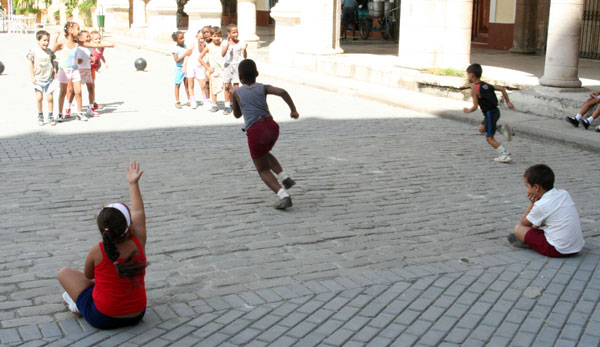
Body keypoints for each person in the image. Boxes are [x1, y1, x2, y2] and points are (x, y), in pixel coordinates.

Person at [58, 161, 148, 329]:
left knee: (65, 273)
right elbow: (139, 212)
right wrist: (133, 183)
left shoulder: (98, 250)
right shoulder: (138, 243)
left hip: (103, 318)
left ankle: (78, 306)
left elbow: (88, 276)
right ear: (129, 227)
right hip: (137, 314)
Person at [232, 59, 299, 210]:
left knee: (262, 169)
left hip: (256, 131)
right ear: (256, 74)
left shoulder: (236, 92)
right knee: (265, 153)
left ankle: (283, 195)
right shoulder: (264, 88)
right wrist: (293, 110)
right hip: (272, 127)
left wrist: (239, 103)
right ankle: (284, 177)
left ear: (240, 77)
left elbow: (236, 114)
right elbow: (282, 92)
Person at [511, 164, 585, 258]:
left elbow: (524, 223)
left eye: (527, 186)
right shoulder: (564, 194)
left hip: (557, 250)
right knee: (537, 224)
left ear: (536, 187)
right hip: (576, 246)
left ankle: (532, 243)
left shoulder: (541, 205)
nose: (527, 190)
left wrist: (532, 203)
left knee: (518, 229)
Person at [52, 22, 113, 122]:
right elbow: (52, 51)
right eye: (78, 29)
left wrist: (109, 45)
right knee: (63, 92)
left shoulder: (77, 43)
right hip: (64, 70)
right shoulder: (62, 43)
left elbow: (91, 44)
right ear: (70, 31)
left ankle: (79, 113)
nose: (79, 31)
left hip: (75, 70)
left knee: (78, 91)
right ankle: (59, 113)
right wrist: (53, 67)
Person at [463, 63, 514, 163]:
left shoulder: (474, 89)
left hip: (490, 114)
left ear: (472, 75)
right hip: (495, 111)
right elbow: (502, 89)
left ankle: (505, 154)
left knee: (489, 138)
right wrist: (508, 102)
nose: (467, 77)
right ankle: (500, 128)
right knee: (481, 128)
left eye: (467, 74)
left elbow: (474, 107)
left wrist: (467, 111)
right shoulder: (486, 85)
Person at [27, 30, 57, 126]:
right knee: (39, 98)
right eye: (44, 40)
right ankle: (40, 115)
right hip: (39, 79)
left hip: (49, 79)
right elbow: (30, 63)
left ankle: (50, 115)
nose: (46, 43)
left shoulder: (49, 52)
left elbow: (52, 62)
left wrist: (54, 71)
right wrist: (32, 76)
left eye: (48, 40)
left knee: (50, 98)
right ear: (38, 40)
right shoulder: (34, 51)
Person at [221, 24, 247, 115]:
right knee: (227, 85)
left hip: (237, 65)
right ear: (229, 33)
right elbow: (222, 54)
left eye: (237, 32)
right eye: (233, 32)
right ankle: (227, 105)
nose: (236, 34)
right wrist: (227, 45)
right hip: (228, 65)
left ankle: (236, 105)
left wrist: (244, 49)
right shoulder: (225, 42)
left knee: (236, 86)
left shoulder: (241, 42)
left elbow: (245, 56)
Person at [199, 26, 224, 113]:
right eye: (214, 36)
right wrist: (207, 67)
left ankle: (229, 103)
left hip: (223, 69)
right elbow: (200, 58)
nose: (216, 38)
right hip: (213, 69)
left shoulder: (223, 45)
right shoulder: (208, 46)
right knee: (213, 87)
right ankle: (214, 104)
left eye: (218, 36)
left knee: (227, 87)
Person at [185, 26, 211, 109]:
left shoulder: (206, 44)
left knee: (203, 85)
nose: (202, 35)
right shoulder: (193, 43)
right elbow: (187, 54)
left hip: (200, 66)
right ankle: (192, 100)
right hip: (191, 66)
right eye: (201, 33)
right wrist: (184, 65)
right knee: (191, 84)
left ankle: (205, 100)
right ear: (197, 35)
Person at [171, 31, 193, 109]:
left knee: (187, 84)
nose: (183, 40)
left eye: (183, 38)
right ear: (176, 40)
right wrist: (185, 54)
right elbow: (176, 60)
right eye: (181, 38)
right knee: (177, 84)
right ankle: (177, 101)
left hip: (186, 67)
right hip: (179, 69)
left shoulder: (185, 46)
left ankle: (189, 99)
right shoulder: (175, 49)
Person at [89, 31, 107, 111]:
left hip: (93, 69)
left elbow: (101, 55)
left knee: (92, 86)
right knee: (76, 87)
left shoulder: (102, 47)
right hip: (86, 69)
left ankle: (93, 103)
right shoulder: (91, 48)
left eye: (99, 39)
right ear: (91, 40)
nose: (98, 41)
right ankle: (71, 104)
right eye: (95, 39)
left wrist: (105, 62)